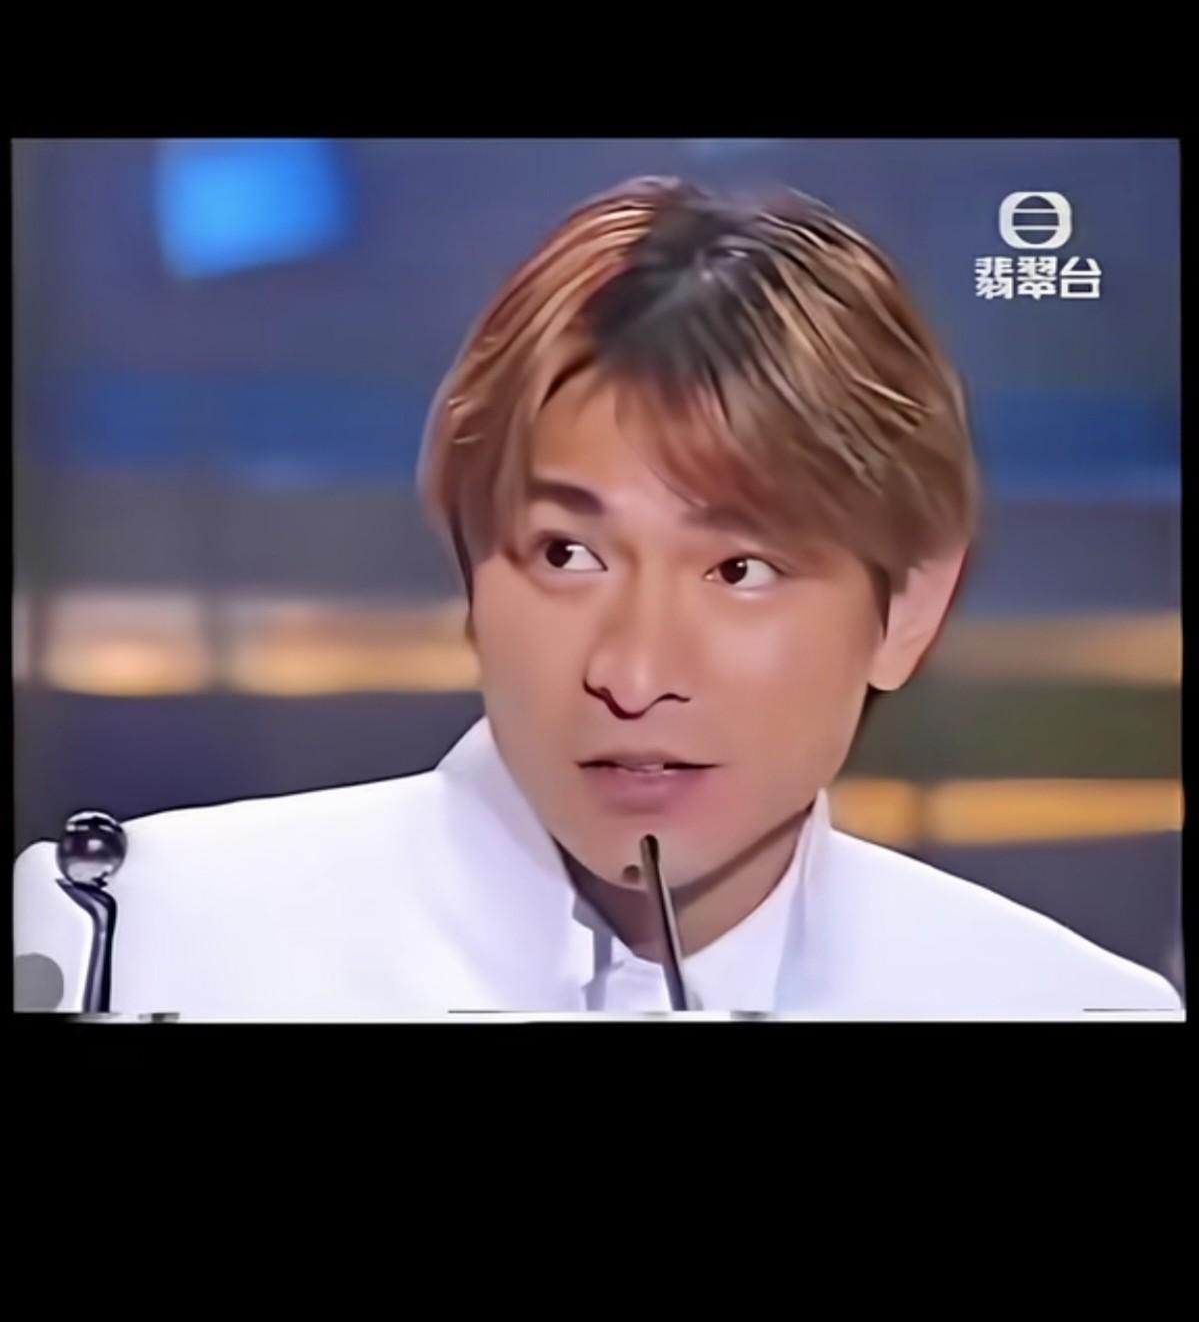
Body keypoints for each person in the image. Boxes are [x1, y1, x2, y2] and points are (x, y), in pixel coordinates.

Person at [12, 177, 1183, 1017]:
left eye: (739, 569)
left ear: (910, 604)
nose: (632, 672)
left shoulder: (1063, 1005)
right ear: (469, 565)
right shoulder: (135, 939)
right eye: (567, 553)